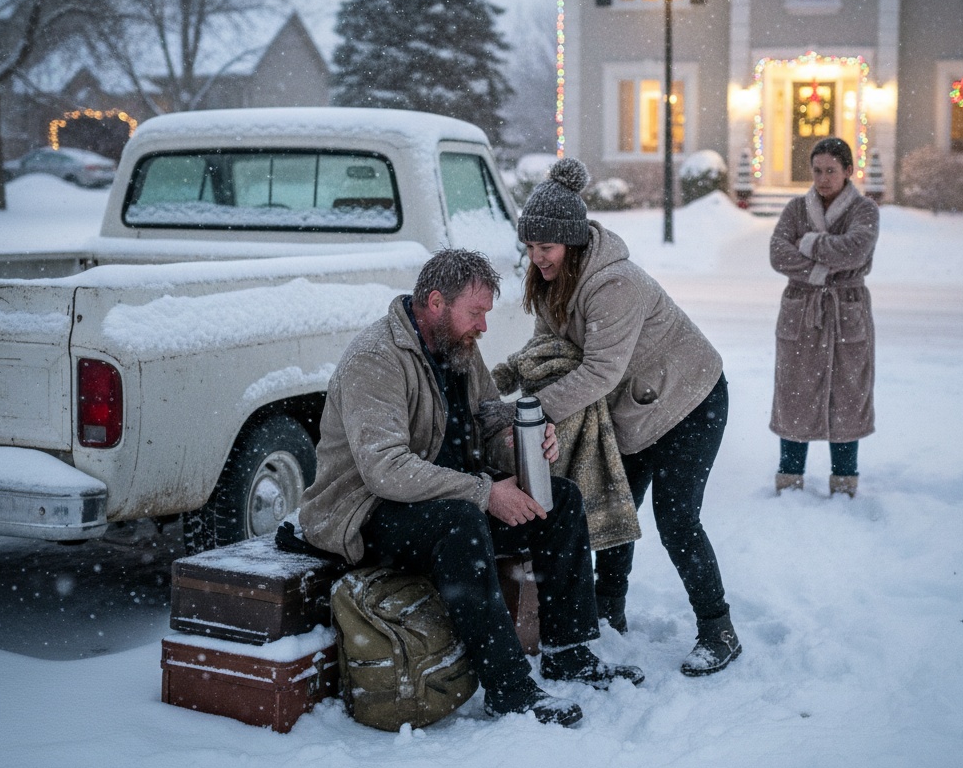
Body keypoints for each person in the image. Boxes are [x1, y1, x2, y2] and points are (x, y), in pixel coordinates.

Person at [299, 248, 644, 728]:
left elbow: (486, 426)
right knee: (461, 523)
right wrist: (485, 493)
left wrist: (523, 446)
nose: (483, 327)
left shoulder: (458, 348)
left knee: (559, 500)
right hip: (366, 513)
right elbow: (385, 469)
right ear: (436, 303)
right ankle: (508, 686)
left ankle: (568, 651)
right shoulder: (376, 358)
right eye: (476, 313)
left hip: (440, 497)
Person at [501, 158, 741, 677]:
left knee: (676, 520)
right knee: (608, 511)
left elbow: (600, 372)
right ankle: (608, 613)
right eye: (530, 247)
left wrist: (531, 411)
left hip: (690, 401)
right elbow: (547, 344)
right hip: (636, 409)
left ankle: (718, 629)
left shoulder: (617, 284)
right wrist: (502, 378)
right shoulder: (552, 281)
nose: (536, 257)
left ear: (572, 242)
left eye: (545, 247)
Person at [769, 136, 879, 498]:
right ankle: (789, 479)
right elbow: (777, 254)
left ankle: (845, 482)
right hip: (802, 310)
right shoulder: (796, 209)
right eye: (817, 170)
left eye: (831, 170)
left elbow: (856, 250)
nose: (823, 178)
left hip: (846, 310)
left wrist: (809, 244)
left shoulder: (864, 211)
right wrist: (826, 263)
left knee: (848, 392)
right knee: (794, 391)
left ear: (848, 170)